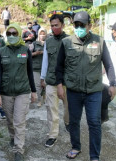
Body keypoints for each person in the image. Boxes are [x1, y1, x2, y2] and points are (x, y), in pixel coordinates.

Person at [56, 11, 116, 161]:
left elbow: (109, 65)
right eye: (76, 25)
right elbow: (59, 66)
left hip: (94, 91)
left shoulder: (99, 42)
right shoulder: (66, 42)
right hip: (74, 91)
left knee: (94, 123)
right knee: (74, 122)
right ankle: (76, 147)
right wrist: (59, 85)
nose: (79, 28)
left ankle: (95, 157)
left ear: (89, 25)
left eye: (82, 25)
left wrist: (113, 84)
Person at [0, 24, 37, 161]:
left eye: (14, 33)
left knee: (19, 121)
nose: (12, 36)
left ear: (19, 34)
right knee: (10, 120)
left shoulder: (25, 50)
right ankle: (13, 137)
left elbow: (30, 72)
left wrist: (33, 91)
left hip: (22, 91)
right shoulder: (1, 51)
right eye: (9, 33)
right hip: (6, 92)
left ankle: (18, 151)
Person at [40, 14, 69, 148]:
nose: (53, 28)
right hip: (51, 80)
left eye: (56, 25)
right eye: (51, 26)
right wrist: (42, 77)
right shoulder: (48, 42)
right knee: (52, 109)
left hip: (68, 82)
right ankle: (53, 135)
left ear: (62, 25)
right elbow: (45, 61)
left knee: (70, 109)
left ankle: (68, 123)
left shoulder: (70, 40)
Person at [30, 28, 47, 107]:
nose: (42, 35)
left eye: (44, 34)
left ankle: (44, 98)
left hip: (46, 68)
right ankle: (40, 100)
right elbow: (28, 54)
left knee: (45, 85)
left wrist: (45, 52)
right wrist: (35, 53)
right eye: (41, 33)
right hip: (36, 68)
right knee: (37, 85)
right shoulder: (34, 43)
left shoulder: (49, 43)